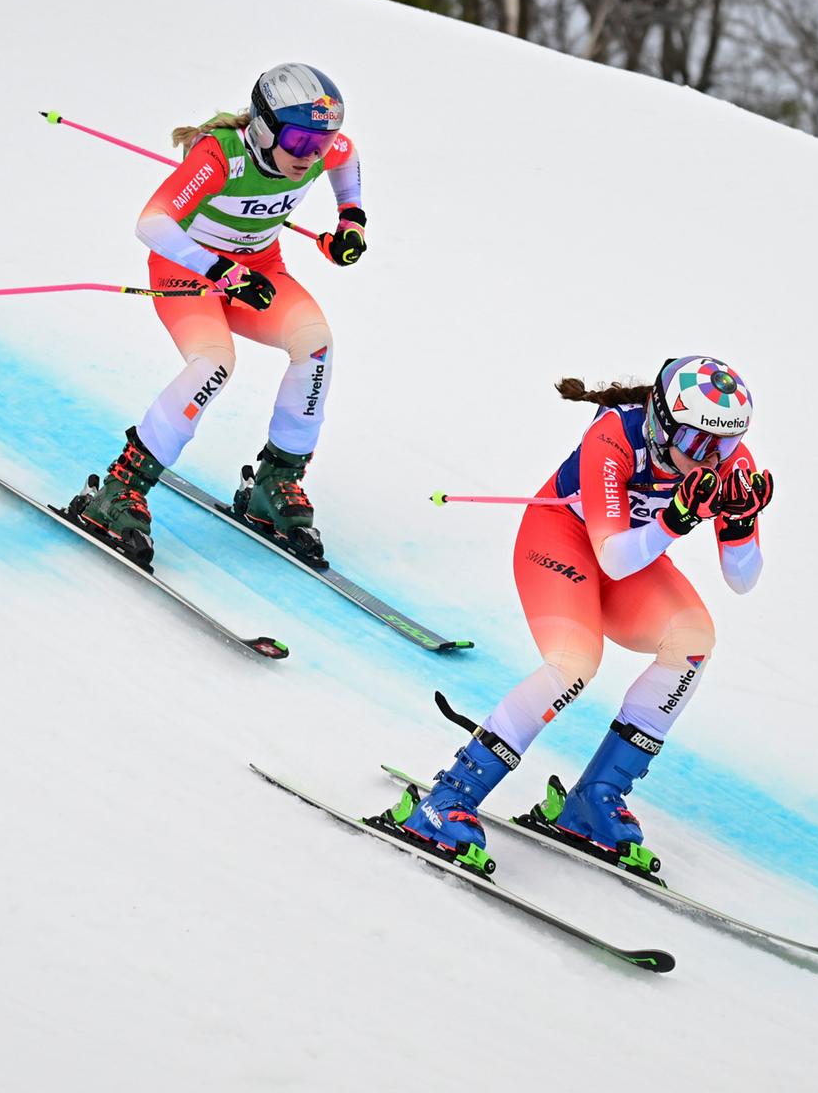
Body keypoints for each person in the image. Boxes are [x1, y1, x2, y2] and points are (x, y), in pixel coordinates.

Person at [374, 356, 773, 878]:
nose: (712, 461)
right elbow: (611, 555)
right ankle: (447, 799)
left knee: (693, 641)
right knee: (574, 663)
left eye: (724, 447)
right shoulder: (615, 436)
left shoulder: (729, 463)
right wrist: (676, 519)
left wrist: (740, 520)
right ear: (662, 422)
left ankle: (594, 800)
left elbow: (743, 580)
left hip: (635, 557)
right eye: (700, 445)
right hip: (562, 539)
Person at [70, 62, 366, 569]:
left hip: (257, 270)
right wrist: (219, 269)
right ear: (264, 127)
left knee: (316, 344)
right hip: (188, 272)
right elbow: (151, 222)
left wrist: (351, 218)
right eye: (297, 141)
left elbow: (346, 156)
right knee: (214, 363)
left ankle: (276, 483)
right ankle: (120, 490)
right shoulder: (220, 157)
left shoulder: (323, 151)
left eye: (319, 142)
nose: (310, 155)